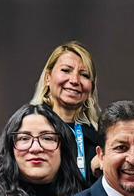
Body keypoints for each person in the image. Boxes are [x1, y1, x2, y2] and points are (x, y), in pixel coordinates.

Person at [31, 40, 101, 181]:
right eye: (66, 70)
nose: (75, 80)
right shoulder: (27, 128)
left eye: (84, 75)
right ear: (48, 78)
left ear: (91, 88)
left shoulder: (98, 140)